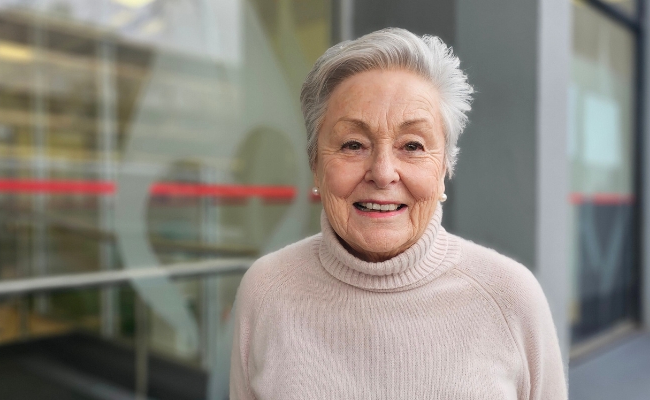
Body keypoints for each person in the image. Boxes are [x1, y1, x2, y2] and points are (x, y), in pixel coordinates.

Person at [230, 28, 567, 400]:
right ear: (315, 165)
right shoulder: (266, 290)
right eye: (353, 144)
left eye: (412, 145)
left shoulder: (510, 297)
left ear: (444, 169)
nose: (383, 172)